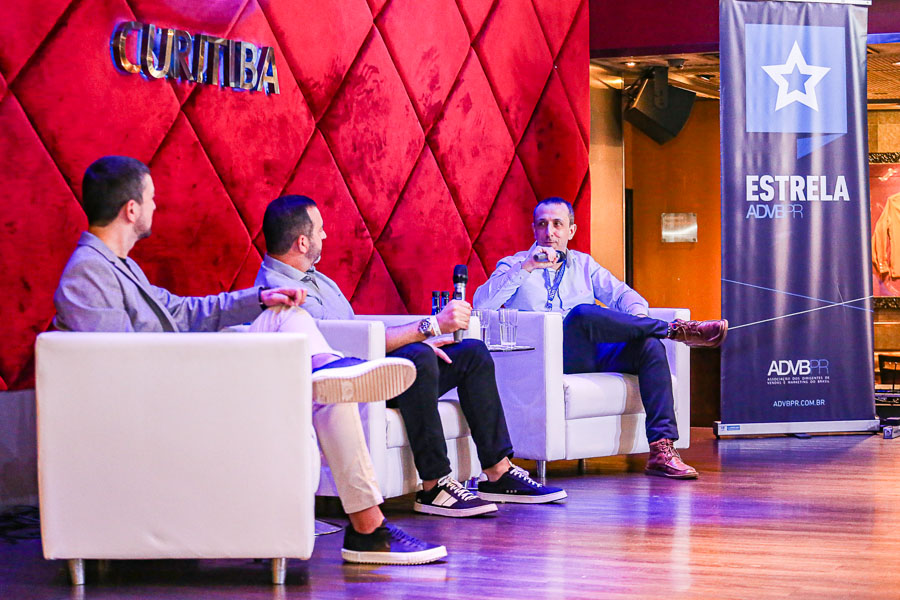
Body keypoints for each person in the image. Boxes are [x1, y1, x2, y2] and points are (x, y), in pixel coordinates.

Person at [53, 156, 446, 565]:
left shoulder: (120, 267)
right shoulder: (88, 273)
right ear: (131, 209)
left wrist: (261, 298)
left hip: (180, 377)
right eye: (151, 198)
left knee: (290, 321)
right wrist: (207, 363)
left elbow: (184, 311)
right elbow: (117, 366)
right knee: (321, 386)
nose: (156, 205)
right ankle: (365, 521)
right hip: (170, 394)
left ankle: (332, 380)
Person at [256, 195, 568, 518]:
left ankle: (498, 472)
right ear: (302, 242)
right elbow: (340, 347)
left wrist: (420, 340)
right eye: (320, 230)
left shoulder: (316, 277)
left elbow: (356, 331)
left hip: (374, 366)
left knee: (471, 353)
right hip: (351, 384)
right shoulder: (279, 292)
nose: (325, 235)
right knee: (417, 357)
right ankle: (434, 485)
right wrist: (429, 328)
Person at [473, 197, 728, 480]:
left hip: (590, 354)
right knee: (582, 314)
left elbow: (626, 296)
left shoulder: (584, 265)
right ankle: (675, 330)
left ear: (571, 230)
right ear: (533, 229)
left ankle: (661, 449)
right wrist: (527, 268)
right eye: (542, 224)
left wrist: (637, 322)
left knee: (649, 345)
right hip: (545, 360)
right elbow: (482, 305)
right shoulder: (515, 264)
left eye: (557, 224)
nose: (549, 232)